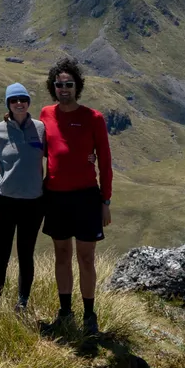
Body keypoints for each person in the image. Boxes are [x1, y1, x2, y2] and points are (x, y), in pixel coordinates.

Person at [37, 56, 114, 334]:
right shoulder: (46, 114)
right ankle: (65, 313)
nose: (64, 89)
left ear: (77, 86)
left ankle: (89, 316)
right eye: (59, 84)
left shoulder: (93, 118)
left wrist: (105, 201)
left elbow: (104, 161)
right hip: (55, 197)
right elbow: (39, 150)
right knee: (61, 253)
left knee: (86, 257)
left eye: (69, 84)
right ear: (53, 87)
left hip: (86, 198)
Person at [0, 82, 47, 311]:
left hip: (33, 204)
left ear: (28, 103)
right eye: (14, 100)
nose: (19, 103)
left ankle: (22, 303)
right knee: (1, 255)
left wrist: (88, 157)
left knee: (26, 255)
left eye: (23, 99)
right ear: (8, 104)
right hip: (3, 202)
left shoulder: (40, 129)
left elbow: (58, 156)